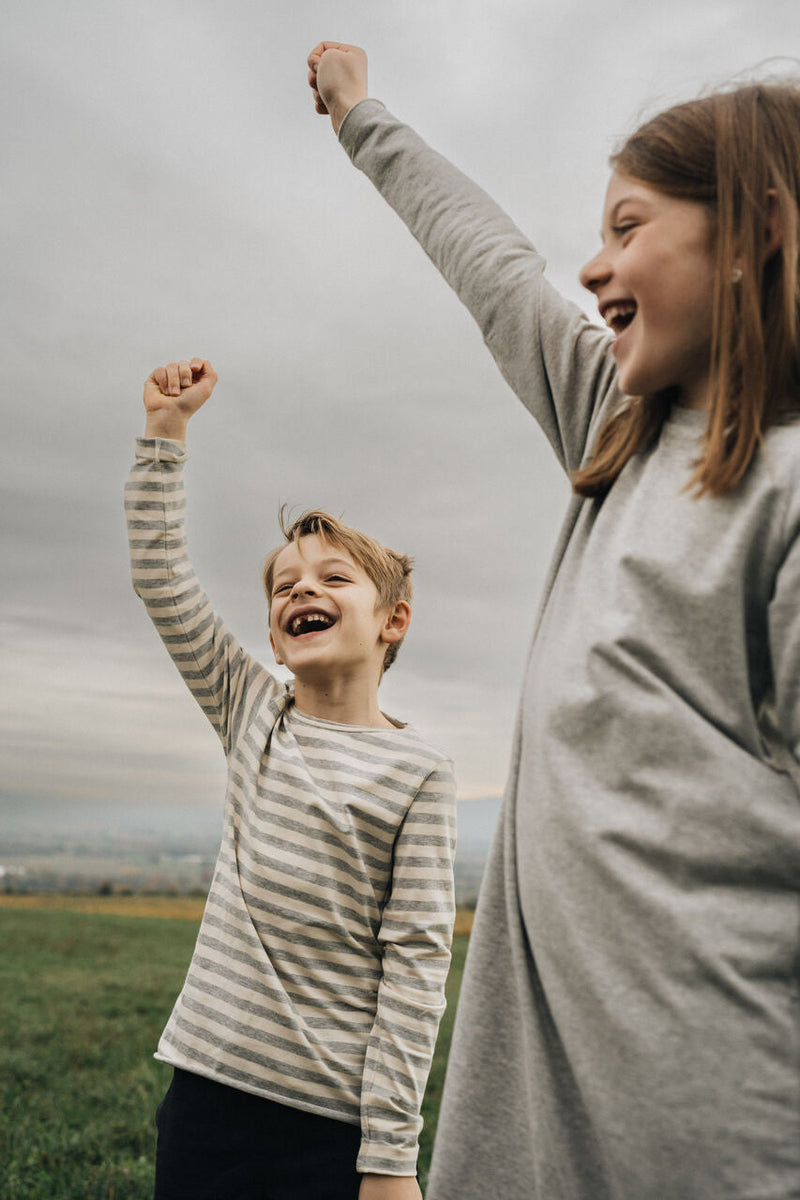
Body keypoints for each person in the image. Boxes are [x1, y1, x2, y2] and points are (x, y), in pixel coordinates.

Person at [306, 41, 800, 1200]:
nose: (591, 266)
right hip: (527, 1146)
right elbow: (497, 265)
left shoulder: (783, 504)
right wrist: (361, 117)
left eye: (627, 228)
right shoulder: (611, 430)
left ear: (753, 233)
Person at [125, 358, 456, 1200]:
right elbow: (161, 579)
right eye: (284, 586)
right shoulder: (250, 710)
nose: (302, 588)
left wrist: (389, 1156)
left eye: (333, 578)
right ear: (275, 638)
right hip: (205, 1098)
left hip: (330, 1128)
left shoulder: (419, 772)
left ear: (393, 620)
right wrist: (166, 434)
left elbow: (414, 967)